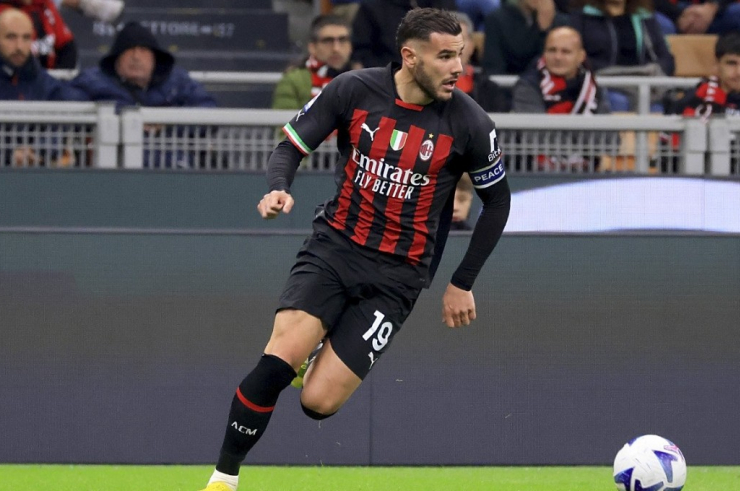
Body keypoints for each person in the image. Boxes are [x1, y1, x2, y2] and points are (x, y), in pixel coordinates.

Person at [198, 8, 510, 491]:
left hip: (399, 277)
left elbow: (498, 203)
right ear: (410, 57)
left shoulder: (471, 122)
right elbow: (291, 146)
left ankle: (317, 354)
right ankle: (223, 478)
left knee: (318, 403)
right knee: (278, 360)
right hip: (334, 249)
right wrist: (278, 187)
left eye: (460, 55)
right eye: (445, 56)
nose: (458, 68)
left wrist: (461, 282)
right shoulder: (353, 90)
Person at [0, 8, 80, 166]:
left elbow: (64, 119)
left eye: (26, 38)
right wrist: (9, 153)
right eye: (11, 37)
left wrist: (37, 149)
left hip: (34, 166)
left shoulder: (40, 79)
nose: (19, 46)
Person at [511, 25, 617, 171]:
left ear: (581, 56)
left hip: (587, 173)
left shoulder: (592, 89)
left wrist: (566, 135)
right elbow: (536, 136)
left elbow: (610, 140)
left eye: (566, 52)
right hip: (535, 173)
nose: (558, 57)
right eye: (552, 50)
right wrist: (585, 141)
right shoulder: (528, 86)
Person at [663, 33, 740, 173]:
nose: (739, 72)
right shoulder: (695, 100)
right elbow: (670, 154)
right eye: (731, 63)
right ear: (717, 64)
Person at [69, 21, 216, 110]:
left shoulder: (178, 82)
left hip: (169, 152)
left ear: (155, 58)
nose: (136, 57)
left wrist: (168, 123)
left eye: (143, 50)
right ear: (116, 58)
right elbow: (67, 104)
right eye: (129, 50)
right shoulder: (92, 81)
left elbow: (208, 109)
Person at [569, 0, 675, 112]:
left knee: (657, 108)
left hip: (642, 81)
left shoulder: (645, 17)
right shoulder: (583, 17)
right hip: (602, 82)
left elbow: (666, 58)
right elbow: (576, 57)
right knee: (618, 102)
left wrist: (656, 69)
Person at [271, 14, 353, 110]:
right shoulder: (293, 81)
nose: (336, 49)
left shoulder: (364, 78)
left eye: (343, 40)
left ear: (351, 46)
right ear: (312, 47)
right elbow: (284, 118)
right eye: (328, 41)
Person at [350, 0, 456, 69]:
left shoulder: (442, 4)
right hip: (389, 79)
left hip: (438, 72)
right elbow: (361, 52)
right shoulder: (372, 7)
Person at [0, 0, 78, 69]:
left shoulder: (45, 5)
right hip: (16, 80)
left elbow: (67, 45)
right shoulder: (0, 13)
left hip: (50, 78)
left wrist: (57, 77)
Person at [482, 0, 567, 75]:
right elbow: (493, 68)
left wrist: (545, 30)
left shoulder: (562, 24)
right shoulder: (497, 20)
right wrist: (540, 31)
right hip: (509, 84)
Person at [452, 11, 510, 112]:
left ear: (471, 46)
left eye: (461, 39)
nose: (454, 47)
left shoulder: (491, 93)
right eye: (447, 41)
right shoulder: (426, 92)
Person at [653, 0, 740, 38]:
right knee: (662, 27)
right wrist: (679, 14)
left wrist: (712, 6)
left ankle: (737, 70)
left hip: (712, 13)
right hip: (666, 13)